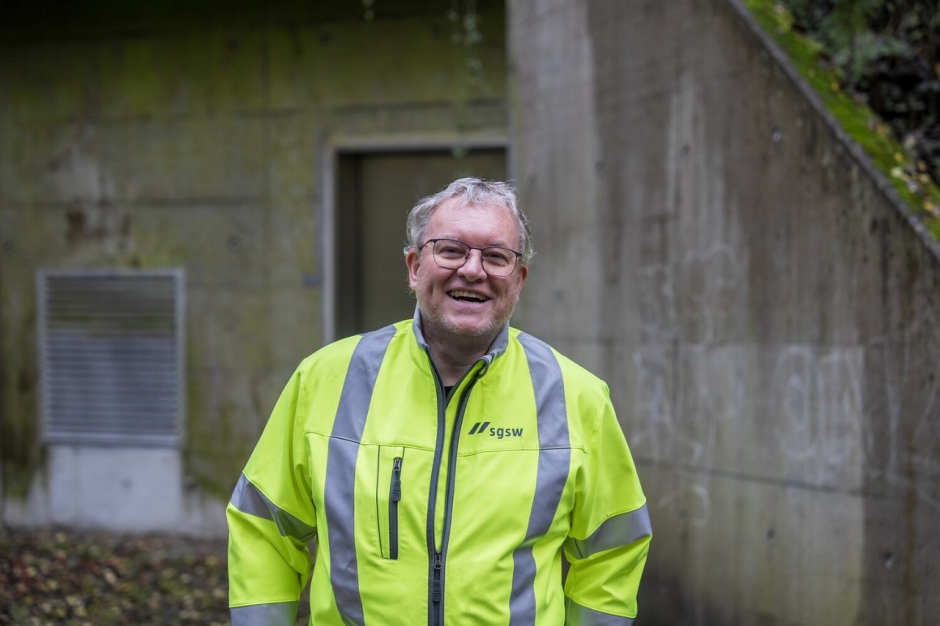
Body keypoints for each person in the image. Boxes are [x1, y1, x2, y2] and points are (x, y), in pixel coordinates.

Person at [226, 178, 652, 625]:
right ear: (414, 267)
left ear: (519, 280)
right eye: (450, 250)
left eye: (496, 257)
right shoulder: (324, 379)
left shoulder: (576, 396)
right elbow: (265, 528)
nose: (472, 270)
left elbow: (611, 549)